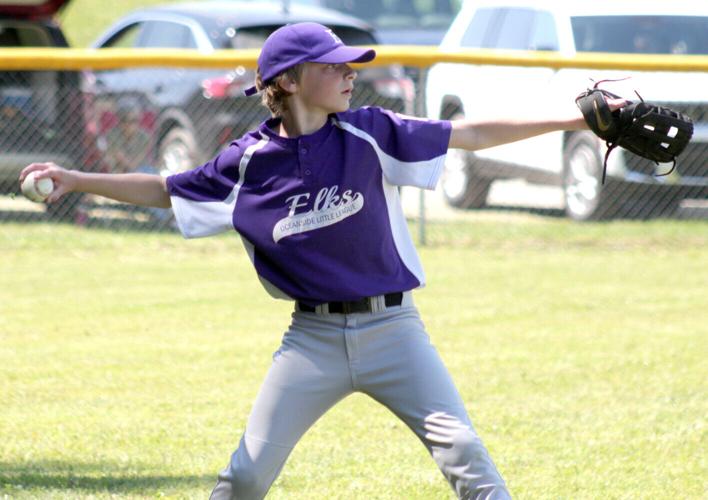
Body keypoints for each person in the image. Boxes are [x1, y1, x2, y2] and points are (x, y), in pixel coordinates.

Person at [20, 22, 626, 500]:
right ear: (286, 81)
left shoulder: (370, 132)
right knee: (247, 480)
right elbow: (166, 188)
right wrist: (75, 179)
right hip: (310, 340)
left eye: (350, 65)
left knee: (466, 458)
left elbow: (466, 134)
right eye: (332, 65)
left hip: (394, 330)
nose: (349, 74)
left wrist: (577, 118)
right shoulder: (249, 161)